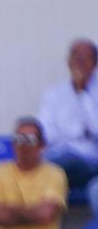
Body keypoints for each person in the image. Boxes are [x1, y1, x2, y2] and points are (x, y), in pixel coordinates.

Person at [37, 37, 98, 213]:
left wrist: (82, 93)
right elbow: (45, 132)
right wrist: (79, 132)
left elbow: (95, 128)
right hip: (57, 159)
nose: (78, 62)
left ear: (94, 64)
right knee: (44, 175)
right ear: (68, 62)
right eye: (75, 57)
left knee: (68, 166)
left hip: (90, 162)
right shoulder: (53, 94)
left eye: (84, 58)